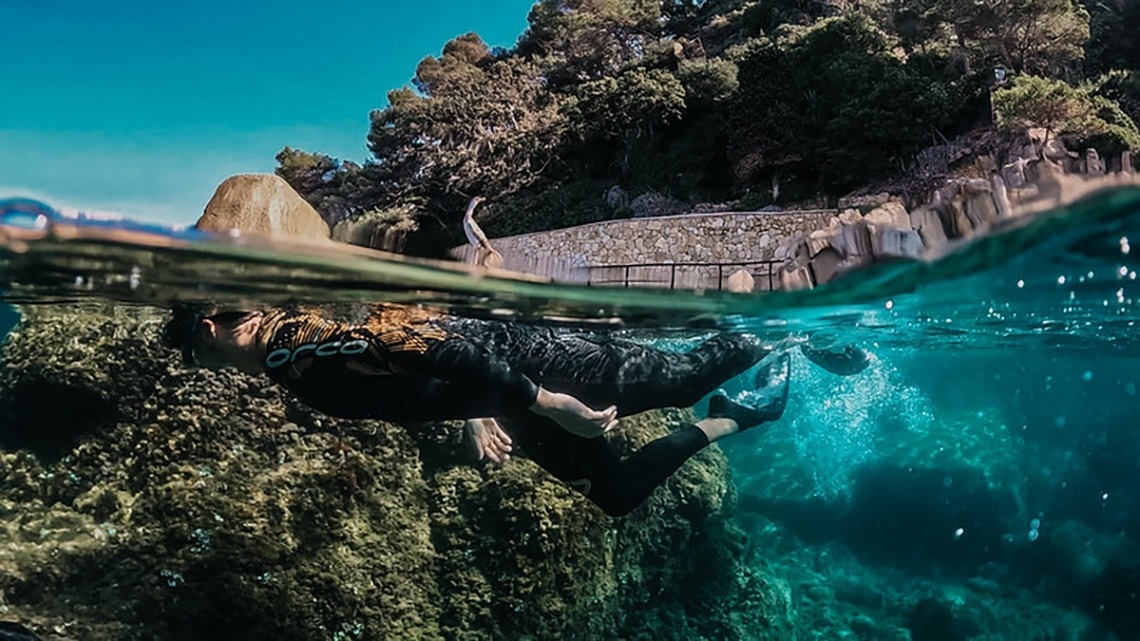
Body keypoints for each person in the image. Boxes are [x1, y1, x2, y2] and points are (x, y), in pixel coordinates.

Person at [161, 303, 827, 516]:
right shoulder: (285, 352)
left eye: (188, 343)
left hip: (541, 369)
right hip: (510, 392)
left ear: (214, 323)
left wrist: (550, 402)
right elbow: (411, 356)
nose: (195, 359)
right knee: (617, 494)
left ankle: (798, 323)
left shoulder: (283, 340)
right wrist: (479, 410)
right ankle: (742, 411)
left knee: (682, 378)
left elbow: (416, 338)